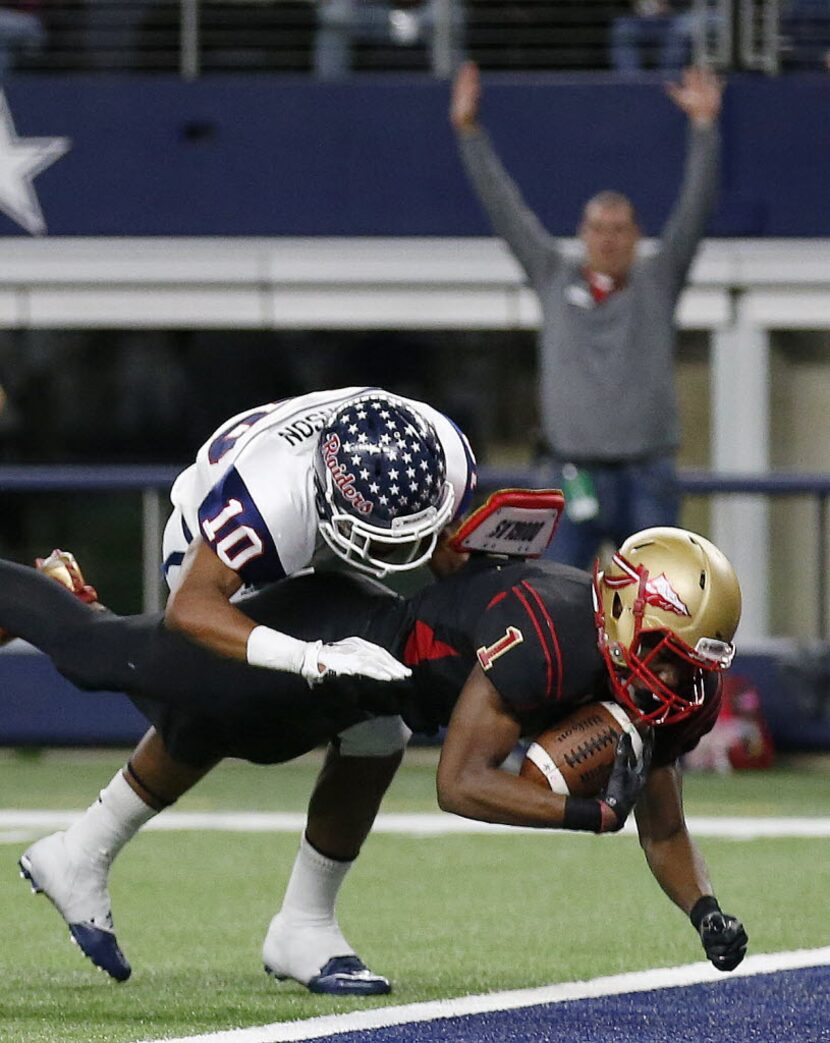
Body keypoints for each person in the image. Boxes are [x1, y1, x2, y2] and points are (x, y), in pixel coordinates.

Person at [11, 506, 747, 986]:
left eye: (697, 662)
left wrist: (706, 911)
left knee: (301, 738)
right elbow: (460, 782)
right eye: (671, 652)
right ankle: (63, 598)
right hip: (338, 640)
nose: (680, 677)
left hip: (378, 695)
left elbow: (666, 825)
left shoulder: (662, 691)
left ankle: (300, 931)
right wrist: (585, 817)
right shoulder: (547, 633)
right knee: (110, 663)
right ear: (621, 609)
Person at [19, 386, 477, 995]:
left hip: (320, 540)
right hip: (211, 550)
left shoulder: (437, 453)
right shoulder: (269, 500)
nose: (395, 555)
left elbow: (450, 554)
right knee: (233, 707)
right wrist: (308, 657)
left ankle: (92, 853)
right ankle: (68, 617)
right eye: (382, 538)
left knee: (375, 719)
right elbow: (192, 609)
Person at [450, 61, 723, 571]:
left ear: (637, 237)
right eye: (599, 227)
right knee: (553, 597)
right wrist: (468, 132)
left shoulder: (657, 281)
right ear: (582, 232)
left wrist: (705, 127)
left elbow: (696, 209)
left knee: (662, 598)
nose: (609, 238)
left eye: (620, 228)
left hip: (648, 473)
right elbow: (504, 209)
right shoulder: (554, 273)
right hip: (567, 472)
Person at [314, 0, 465, 80]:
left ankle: (448, 92)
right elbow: (333, 13)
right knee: (332, 31)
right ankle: (328, 97)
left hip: (423, 22)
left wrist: (414, 22)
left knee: (447, 23)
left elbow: (455, 15)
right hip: (370, 21)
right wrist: (391, 21)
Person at [610, 1, 716, 75]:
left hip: (678, 17)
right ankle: (631, 84)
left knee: (680, 27)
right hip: (643, 20)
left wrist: (671, 7)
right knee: (623, 28)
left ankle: (667, 80)